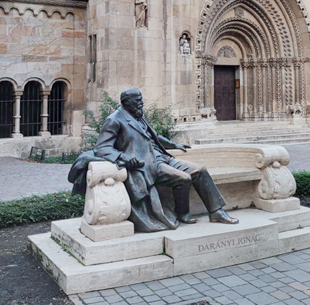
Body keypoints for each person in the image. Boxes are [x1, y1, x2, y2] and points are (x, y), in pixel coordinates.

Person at [91, 88, 238, 232]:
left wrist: (174, 145)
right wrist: (124, 157)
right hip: (147, 164)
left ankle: (216, 212)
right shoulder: (114, 120)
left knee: (200, 170)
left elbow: (154, 135)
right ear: (126, 102)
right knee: (184, 178)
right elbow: (102, 147)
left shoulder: (137, 114)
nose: (142, 103)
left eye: (142, 100)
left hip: (163, 157)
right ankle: (182, 213)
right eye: (138, 101)